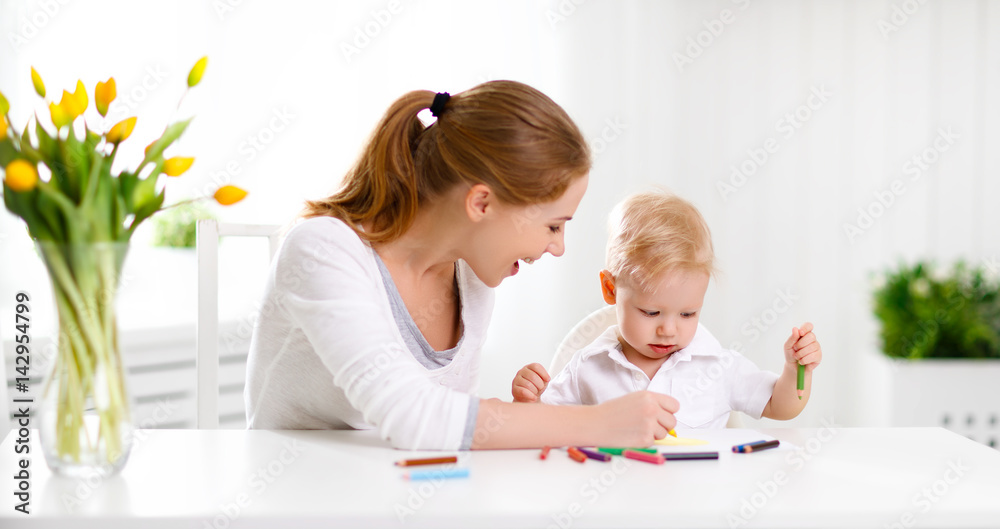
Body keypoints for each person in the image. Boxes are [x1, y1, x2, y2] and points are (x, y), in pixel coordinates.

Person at [244, 81, 680, 450]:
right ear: (481, 203)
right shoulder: (325, 250)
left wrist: (531, 419)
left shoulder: (470, 278)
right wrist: (598, 424)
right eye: (552, 225)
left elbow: (446, 431)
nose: (558, 247)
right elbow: (413, 417)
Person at [511, 190, 822, 428]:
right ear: (610, 289)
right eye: (651, 312)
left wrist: (796, 370)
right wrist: (528, 400)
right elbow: (544, 427)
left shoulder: (717, 366)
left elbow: (780, 407)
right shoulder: (588, 367)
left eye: (687, 314)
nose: (669, 329)